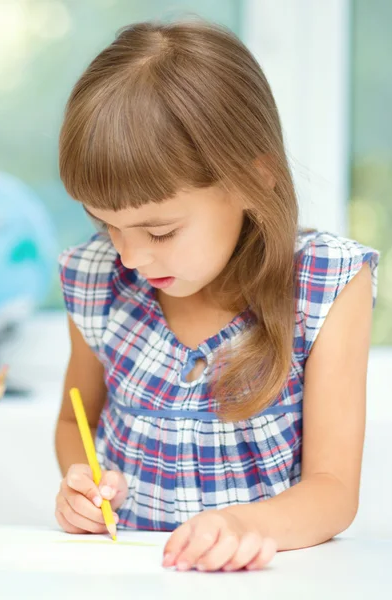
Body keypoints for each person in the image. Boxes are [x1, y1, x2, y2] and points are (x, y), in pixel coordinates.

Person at [54, 19, 379, 573]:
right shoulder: (96, 278)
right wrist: (81, 482)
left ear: (254, 180)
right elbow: (73, 420)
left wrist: (244, 525)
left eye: (160, 232)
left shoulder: (326, 285)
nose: (130, 256)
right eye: (107, 224)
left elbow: (333, 491)